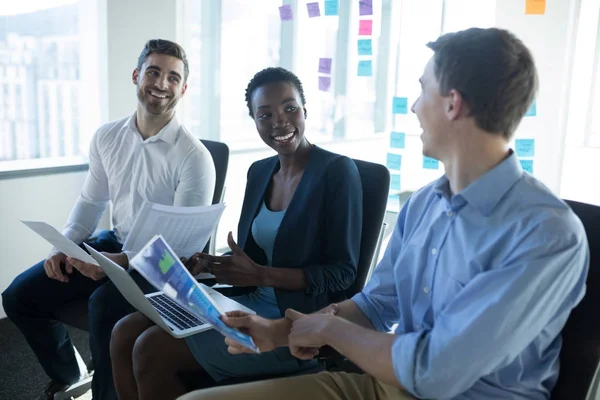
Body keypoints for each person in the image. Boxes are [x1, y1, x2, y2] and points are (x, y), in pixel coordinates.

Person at [177, 28, 590, 400]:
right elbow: (375, 306)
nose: (413, 107)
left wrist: (328, 330)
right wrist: (279, 332)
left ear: (452, 104)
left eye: (422, 90)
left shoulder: (545, 233)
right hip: (388, 384)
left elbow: (435, 371)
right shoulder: (425, 204)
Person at [109, 66, 364, 400]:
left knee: (150, 349)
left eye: (290, 108)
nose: (280, 122)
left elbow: (343, 274)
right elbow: (252, 258)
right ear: (255, 121)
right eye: (265, 114)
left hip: (295, 325)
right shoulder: (260, 172)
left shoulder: (336, 172)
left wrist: (261, 274)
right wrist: (213, 263)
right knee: (124, 331)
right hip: (245, 302)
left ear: (305, 109)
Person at [2, 39, 216, 400]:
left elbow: (183, 244)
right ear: (136, 75)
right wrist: (63, 245)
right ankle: (71, 375)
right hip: (116, 243)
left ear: (184, 88)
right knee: (19, 296)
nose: (161, 84)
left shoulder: (194, 157)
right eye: (153, 72)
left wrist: (122, 263)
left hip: (161, 263)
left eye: (172, 77)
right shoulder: (107, 136)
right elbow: (90, 201)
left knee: (103, 307)